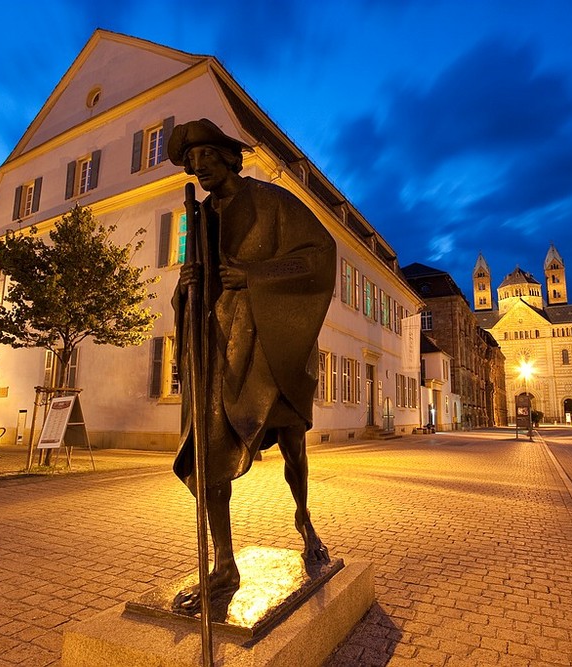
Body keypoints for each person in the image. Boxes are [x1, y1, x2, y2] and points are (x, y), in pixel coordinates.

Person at [168, 119, 337, 613]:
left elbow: (319, 256)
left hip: (270, 346)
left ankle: (303, 518)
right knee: (206, 452)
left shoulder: (273, 202)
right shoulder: (198, 218)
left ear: (227, 158)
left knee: (292, 446)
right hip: (219, 346)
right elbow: (191, 290)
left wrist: (254, 275)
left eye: (204, 158)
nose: (197, 168)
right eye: (190, 161)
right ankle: (223, 563)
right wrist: (187, 285)